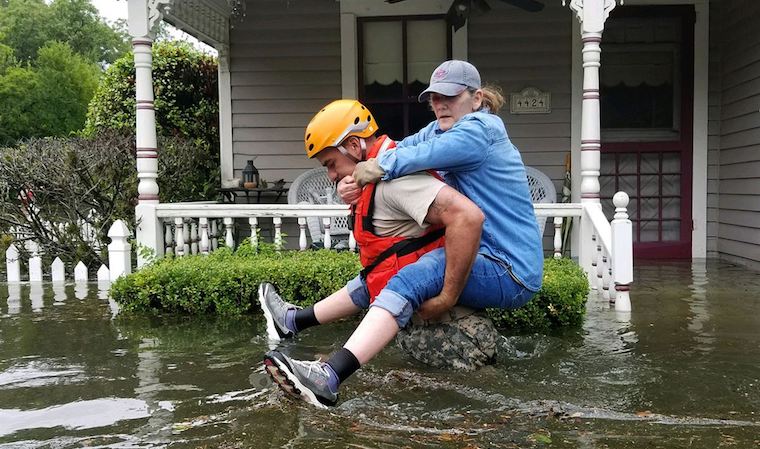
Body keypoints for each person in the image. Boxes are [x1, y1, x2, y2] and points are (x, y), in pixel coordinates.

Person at [262, 99, 486, 408]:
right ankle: (292, 320)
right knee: (376, 275)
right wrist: (345, 186)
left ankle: (328, 376)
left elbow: (466, 217)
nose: (330, 175)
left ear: (354, 146)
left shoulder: (399, 183)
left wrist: (448, 295)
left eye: (330, 164)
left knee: (386, 279)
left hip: (454, 332)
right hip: (406, 295)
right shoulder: (376, 175)